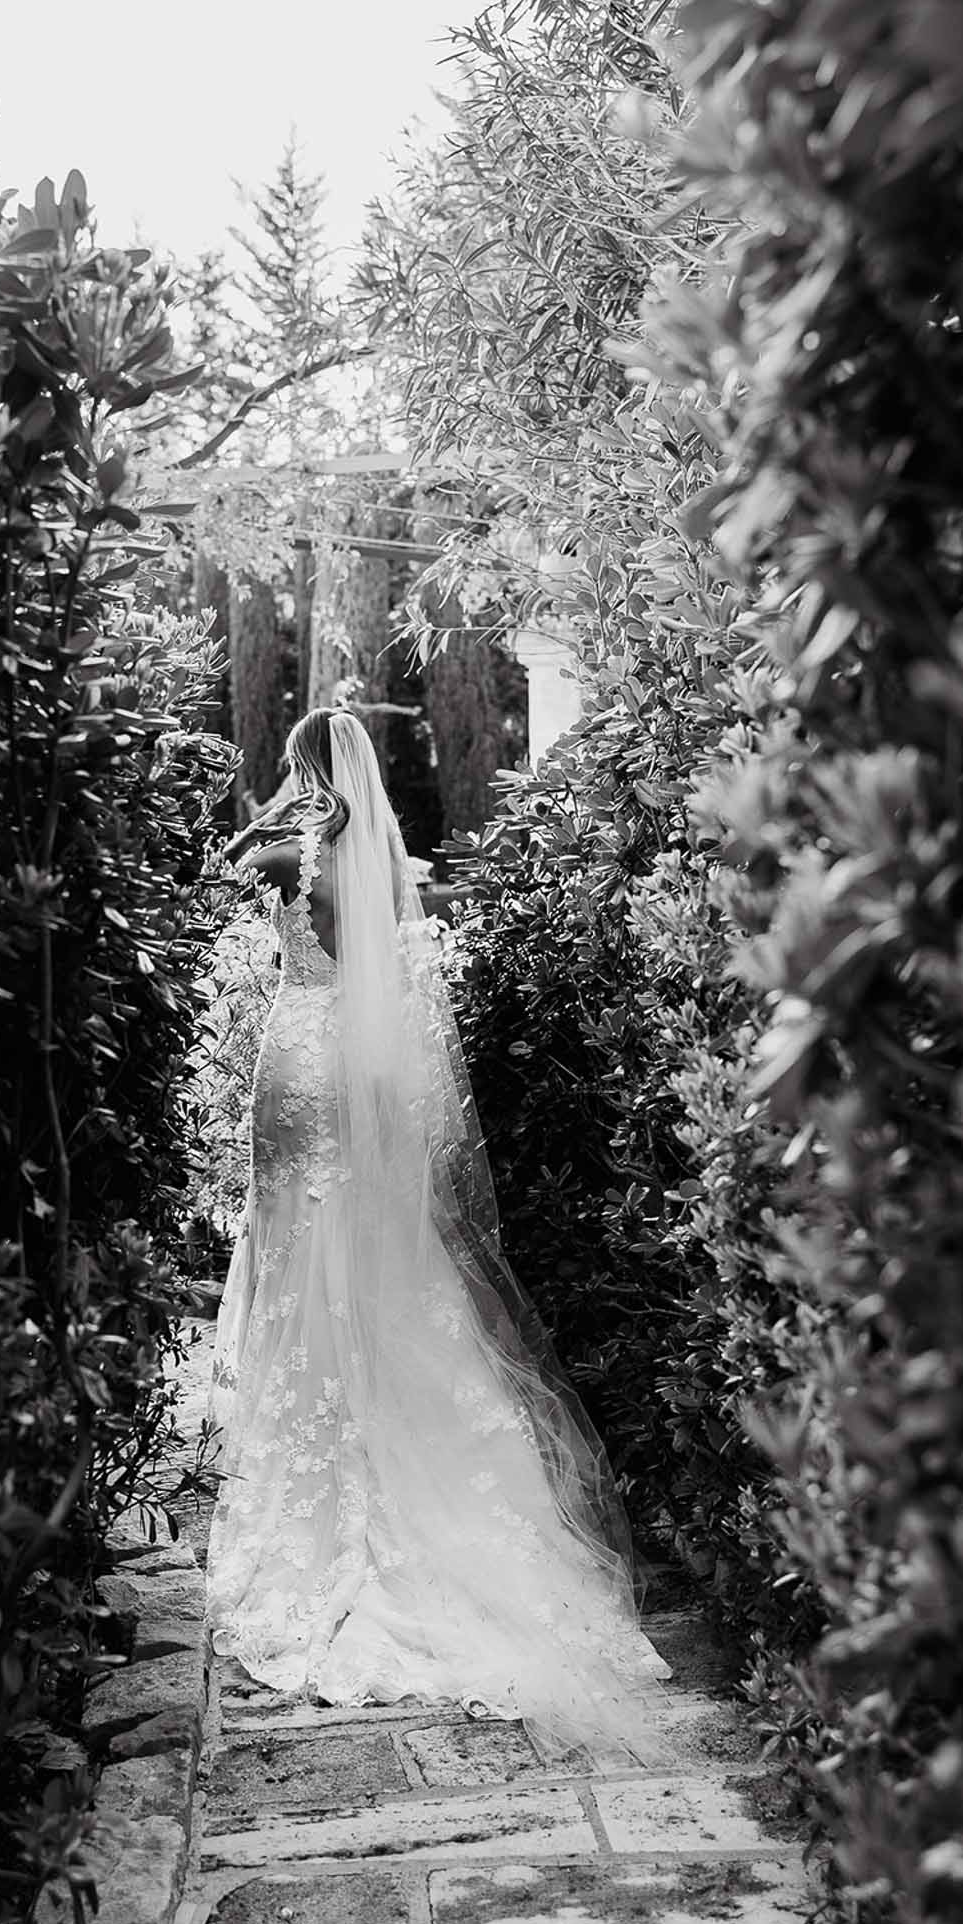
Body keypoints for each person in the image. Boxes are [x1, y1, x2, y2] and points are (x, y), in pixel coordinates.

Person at [207, 707, 673, 1762]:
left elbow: (225, 866)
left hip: (296, 1059)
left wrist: (275, 817)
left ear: (309, 769)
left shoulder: (285, 848)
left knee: (291, 1232)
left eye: (293, 763)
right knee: (373, 1236)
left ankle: (320, 1453)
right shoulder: (377, 856)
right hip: (363, 1069)